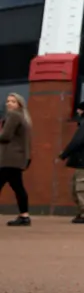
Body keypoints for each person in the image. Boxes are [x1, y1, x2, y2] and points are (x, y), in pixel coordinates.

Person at [0, 91, 32, 227]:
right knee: (18, 186)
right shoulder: (24, 118)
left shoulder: (13, 115)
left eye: (13, 101)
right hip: (18, 158)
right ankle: (24, 216)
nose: (9, 104)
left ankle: (24, 216)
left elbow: (5, 136)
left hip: (9, 158)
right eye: (8, 101)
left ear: (19, 104)